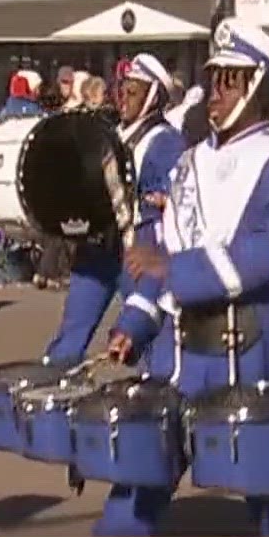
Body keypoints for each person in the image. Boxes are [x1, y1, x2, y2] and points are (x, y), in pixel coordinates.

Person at [106, 20, 269, 537]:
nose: (214, 93)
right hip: (181, 352)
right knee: (138, 481)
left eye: (229, 80)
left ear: (258, 88)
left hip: (256, 343)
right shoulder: (188, 162)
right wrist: (134, 322)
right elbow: (166, 249)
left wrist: (172, 268)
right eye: (213, 78)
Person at [54, 54, 185, 368]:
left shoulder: (165, 142)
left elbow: (174, 201)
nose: (123, 98)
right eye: (122, 90)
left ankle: (153, 401)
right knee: (70, 335)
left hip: (137, 249)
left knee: (146, 336)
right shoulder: (109, 132)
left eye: (133, 92)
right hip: (98, 248)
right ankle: (53, 394)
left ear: (153, 98)